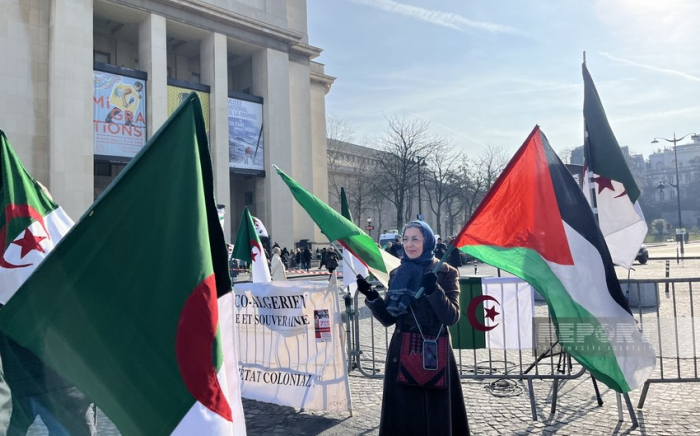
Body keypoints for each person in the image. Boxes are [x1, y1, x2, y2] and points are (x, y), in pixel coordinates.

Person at [356, 221, 469, 436]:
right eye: (406, 238)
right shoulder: (398, 273)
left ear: (427, 241)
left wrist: (433, 290)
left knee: (433, 419)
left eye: (416, 239)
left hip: (432, 355)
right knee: (403, 419)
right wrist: (371, 296)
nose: (409, 244)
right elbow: (389, 318)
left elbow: (452, 316)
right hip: (402, 355)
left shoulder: (446, 272)